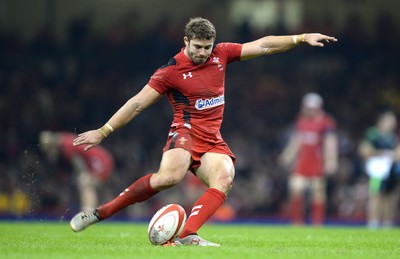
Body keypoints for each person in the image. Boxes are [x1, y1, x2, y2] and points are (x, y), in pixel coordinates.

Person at [70, 17, 337, 246]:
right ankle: (100, 213)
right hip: (184, 132)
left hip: (212, 139)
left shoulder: (221, 54)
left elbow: (264, 44)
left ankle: (188, 234)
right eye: (197, 47)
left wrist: (301, 37)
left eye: (207, 47)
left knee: (224, 178)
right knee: (168, 179)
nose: (203, 53)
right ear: (186, 41)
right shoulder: (170, 71)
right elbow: (137, 103)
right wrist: (104, 131)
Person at [278, 93, 338, 225]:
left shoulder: (326, 122)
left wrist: (331, 161)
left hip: (317, 162)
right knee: (296, 188)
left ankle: (317, 222)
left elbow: (330, 143)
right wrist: (287, 155)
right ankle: (297, 222)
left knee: (318, 192)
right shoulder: (301, 120)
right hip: (303, 162)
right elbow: (296, 141)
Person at [39, 131, 115, 211]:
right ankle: (104, 208)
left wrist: (82, 174)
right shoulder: (64, 138)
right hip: (101, 158)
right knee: (96, 185)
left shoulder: (65, 145)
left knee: (85, 183)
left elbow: (78, 161)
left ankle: (87, 211)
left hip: (99, 160)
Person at [358, 111, 400, 229]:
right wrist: (379, 153)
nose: (392, 124)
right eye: (389, 121)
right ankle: (374, 222)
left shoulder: (393, 137)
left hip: (390, 170)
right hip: (376, 170)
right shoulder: (373, 134)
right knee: (375, 194)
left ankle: (387, 222)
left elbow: (397, 152)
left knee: (390, 196)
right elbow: (363, 149)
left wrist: (393, 155)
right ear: (381, 122)